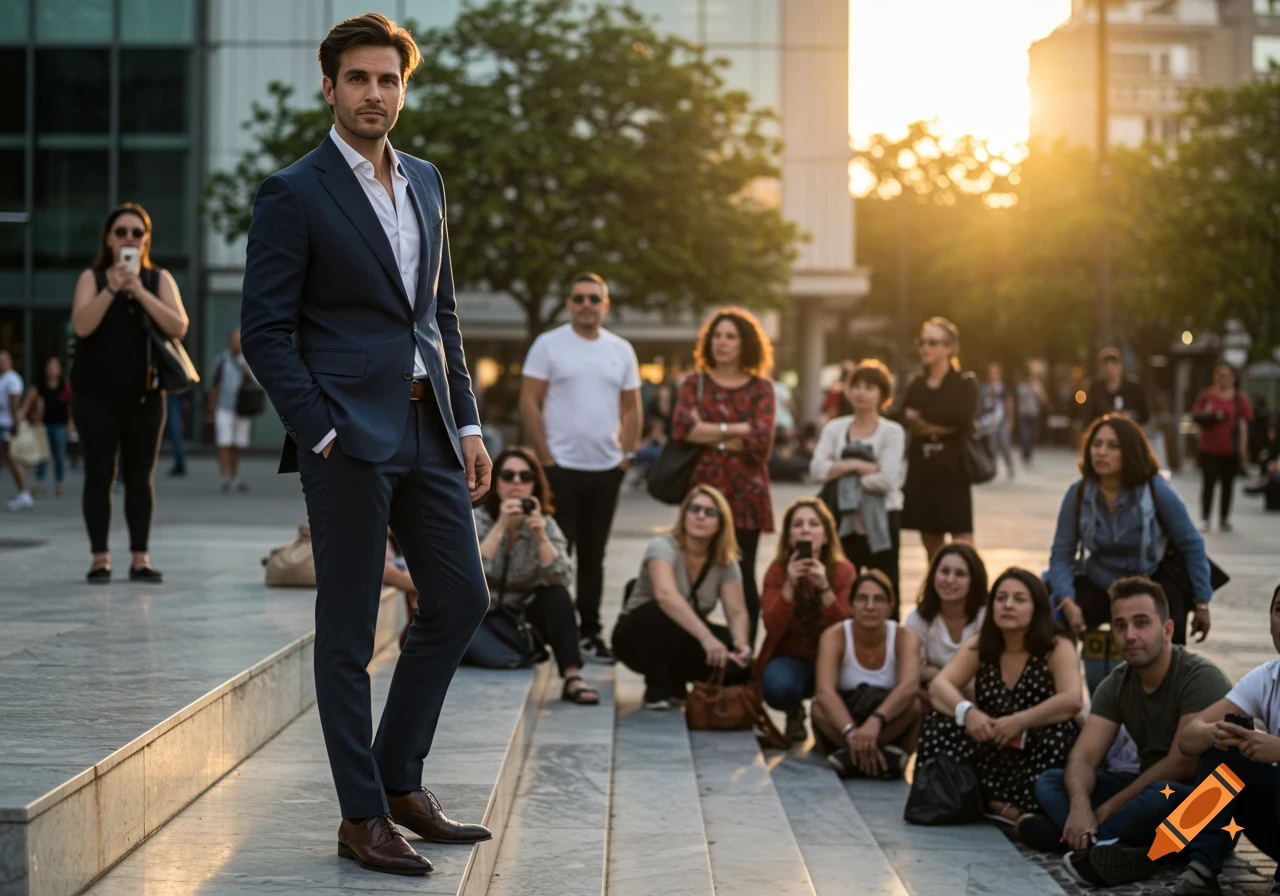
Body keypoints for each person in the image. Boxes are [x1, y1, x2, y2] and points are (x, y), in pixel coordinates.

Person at [240, 14, 492, 875]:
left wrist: (467, 422)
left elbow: (440, 314)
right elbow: (265, 331)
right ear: (330, 87)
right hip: (346, 440)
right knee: (348, 634)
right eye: (358, 79)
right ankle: (360, 818)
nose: (374, 94)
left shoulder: (426, 180)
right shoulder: (294, 191)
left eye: (388, 80)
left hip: (427, 427)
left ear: (402, 88)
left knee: (461, 598)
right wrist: (321, 429)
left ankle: (396, 778)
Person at [1022, 578, 1231, 889]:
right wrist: (1080, 807)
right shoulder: (1117, 683)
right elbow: (1085, 755)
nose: (1130, 635)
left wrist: (1106, 809)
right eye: (1120, 625)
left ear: (1168, 630)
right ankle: (1121, 848)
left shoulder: (1201, 678)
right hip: (1143, 793)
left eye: (1142, 623)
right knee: (1051, 781)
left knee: (1156, 796)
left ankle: (1082, 842)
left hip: (1204, 808)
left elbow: (1182, 763)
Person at [519, 272, 643, 665]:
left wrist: (626, 456)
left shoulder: (621, 349)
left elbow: (632, 407)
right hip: (560, 469)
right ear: (569, 303)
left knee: (594, 556)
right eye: (579, 298)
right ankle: (553, 631)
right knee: (557, 552)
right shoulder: (548, 345)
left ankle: (590, 633)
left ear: (605, 305)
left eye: (594, 298)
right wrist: (546, 459)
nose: (586, 305)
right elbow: (528, 402)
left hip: (605, 469)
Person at [69, 203, 187, 582]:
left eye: (137, 232)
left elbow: (178, 326)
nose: (129, 238)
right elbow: (82, 326)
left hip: (145, 397)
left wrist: (137, 288)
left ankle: (140, 558)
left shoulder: (158, 279)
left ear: (146, 239)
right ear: (109, 238)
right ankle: (99, 558)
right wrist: (113, 288)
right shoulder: (92, 277)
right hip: (94, 396)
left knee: (140, 477)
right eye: (121, 231)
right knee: (99, 475)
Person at [920, 568, 1082, 827]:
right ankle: (977, 799)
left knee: (1060, 737)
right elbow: (939, 686)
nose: (1008, 605)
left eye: (1019, 599)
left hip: (1037, 743)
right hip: (990, 738)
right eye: (1001, 598)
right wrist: (968, 713)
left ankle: (1018, 811)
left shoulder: (1057, 645)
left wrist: (1020, 721)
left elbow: (1072, 699)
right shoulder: (982, 644)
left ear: (1036, 607)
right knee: (941, 723)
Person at [1154, 583, 1280, 896]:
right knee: (1224, 737)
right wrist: (1215, 733)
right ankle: (1200, 872)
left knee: (1156, 801)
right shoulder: (1268, 678)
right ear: (1269, 622)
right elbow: (1189, 738)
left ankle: (1154, 845)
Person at [1048, 414, 1212, 649]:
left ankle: (1167, 681)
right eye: (1097, 444)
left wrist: (1202, 602)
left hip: (1151, 580)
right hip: (1100, 581)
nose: (1101, 452)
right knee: (1051, 620)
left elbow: (1191, 543)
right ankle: (1066, 681)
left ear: (1130, 452)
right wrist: (1066, 601)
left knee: (1169, 636)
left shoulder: (1156, 489)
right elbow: (1061, 554)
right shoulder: (1079, 493)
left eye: (1113, 446)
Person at [669, 307, 776, 643]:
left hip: (746, 496)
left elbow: (761, 441)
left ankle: (743, 661)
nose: (723, 342)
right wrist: (736, 429)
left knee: (742, 577)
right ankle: (688, 657)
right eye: (717, 335)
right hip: (703, 493)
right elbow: (683, 429)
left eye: (731, 336)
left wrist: (710, 432)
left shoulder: (762, 388)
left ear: (745, 343)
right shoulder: (693, 383)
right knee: (689, 575)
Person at [474, 447, 598, 705]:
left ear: (535, 484)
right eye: (508, 476)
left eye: (525, 476)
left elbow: (563, 576)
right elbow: (471, 572)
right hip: (481, 610)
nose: (516, 483)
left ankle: (572, 676)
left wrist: (541, 537)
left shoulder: (544, 523)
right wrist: (501, 527)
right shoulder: (478, 520)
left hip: (523, 613)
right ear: (495, 481)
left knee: (557, 597)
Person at [611, 485, 753, 711]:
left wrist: (740, 645)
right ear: (684, 514)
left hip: (684, 636)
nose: (700, 516)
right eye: (694, 509)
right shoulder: (663, 546)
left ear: (721, 522)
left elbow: (736, 611)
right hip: (638, 639)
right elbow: (666, 596)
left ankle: (678, 680)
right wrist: (707, 638)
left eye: (709, 512)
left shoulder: (725, 561)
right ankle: (657, 685)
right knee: (659, 613)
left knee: (739, 667)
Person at [757, 497, 856, 742]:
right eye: (798, 524)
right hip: (793, 658)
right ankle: (794, 711)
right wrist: (789, 585)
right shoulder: (778, 571)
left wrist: (824, 588)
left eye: (814, 524)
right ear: (789, 536)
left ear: (825, 535)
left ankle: (825, 716)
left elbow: (847, 630)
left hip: (835, 660)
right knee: (777, 685)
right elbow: (771, 625)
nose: (805, 529)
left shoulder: (843, 570)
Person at [810, 358, 905, 605]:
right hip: (842, 518)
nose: (861, 393)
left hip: (882, 519)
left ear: (882, 394)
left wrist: (839, 469)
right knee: (842, 587)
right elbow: (816, 470)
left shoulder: (892, 432)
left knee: (886, 587)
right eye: (856, 386)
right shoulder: (834, 428)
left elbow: (888, 480)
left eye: (869, 387)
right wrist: (860, 467)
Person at [812, 570, 921, 780]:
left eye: (878, 599)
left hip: (886, 720)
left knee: (914, 706)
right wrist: (852, 732)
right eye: (862, 598)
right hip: (846, 720)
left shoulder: (904, 637)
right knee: (818, 708)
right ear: (851, 605)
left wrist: (875, 721)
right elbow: (825, 691)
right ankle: (873, 756)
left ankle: (851, 759)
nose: (870, 606)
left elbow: (909, 685)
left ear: (891, 606)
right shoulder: (834, 636)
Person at [899, 317, 980, 562]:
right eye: (922, 342)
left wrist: (922, 422)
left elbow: (962, 418)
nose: (926, 348)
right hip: (923, 469)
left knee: (962, 540)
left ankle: (969, 590)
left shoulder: (964, 384)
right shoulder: (917, 383)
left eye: (933, 342)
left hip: (953, 469)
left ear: (950, 347)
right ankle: (938, 589)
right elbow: (901, 414)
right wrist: (939, 425)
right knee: (930, 538)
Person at [904, 544, 989, 706]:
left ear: (974, 580)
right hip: (934, 698)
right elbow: (911, 671)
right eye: (944, 572)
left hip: (979, 697)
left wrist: (935, 672)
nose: (950, 580)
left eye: (960, 574)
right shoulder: (917, 619)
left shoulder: (985, 617)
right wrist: (951, 679)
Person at [1191, 364, 1253, 534]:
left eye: (1227, 375)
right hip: (1209, 449)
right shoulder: (1206, 396)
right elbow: (1195, 415)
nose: (1223, 379)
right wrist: (1210, 415)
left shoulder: (1240, 399)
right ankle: (1205, 518)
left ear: (1233, 378)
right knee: (1208, 483)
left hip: (1230, 450)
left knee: (1228, 485)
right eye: (1220, 375)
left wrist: (1243, 450)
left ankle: (1224, 518)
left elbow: (1243, 425)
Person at [208, 328, 257, 493]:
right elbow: (214, 385)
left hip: (242, 409)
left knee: (237, 445)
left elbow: (260, 385)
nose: (237, 343)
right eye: (235, 340)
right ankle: (224, 477)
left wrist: (247, 371)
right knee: (224, 443)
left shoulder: (249, 360)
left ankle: (235, 477)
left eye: (240, 340)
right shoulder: (221, 359)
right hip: (224, 408)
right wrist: (211, 409)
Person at [23, 357, 72, 499]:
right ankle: (39, 482)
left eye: (55, 367)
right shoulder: (40, 387)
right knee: (42, 456)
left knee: (59, 456)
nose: (52, 370)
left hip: (60, 425)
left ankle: (60, 483)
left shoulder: (64, 387)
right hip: (43, 425)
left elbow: (70, 407)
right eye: (50, 367)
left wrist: (70, 424)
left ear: (60, 370)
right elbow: (30, 404)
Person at [1082, 347, 1150, 426]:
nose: (1109, 370)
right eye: (1106, 367)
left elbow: (1145, 414)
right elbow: (1087, 416)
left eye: (1113, 366)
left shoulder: (1133, 388)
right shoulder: (1095, 389)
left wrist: (1131, 417)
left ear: (1120, 367)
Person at [0, 350, 32, 511]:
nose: (1, 363)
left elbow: (14, 405)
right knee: (10, 460)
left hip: (6, 425)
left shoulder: (12, 379)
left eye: (4, 359)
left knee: (13, 460)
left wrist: (15, 425)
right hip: (3, 424)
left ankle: (24, 493)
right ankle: (24, 494)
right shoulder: (3, 378)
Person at [980, 361, 1016, 480]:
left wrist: (1010, 420)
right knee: (992, 446)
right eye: (991, 372)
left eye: (995, 372)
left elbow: (1009, 403)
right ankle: (993, 469)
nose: (993, 374)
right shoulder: (985, 388)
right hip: (989, 421)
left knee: (1005, 445)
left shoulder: (1003, 388)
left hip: (1002, 420)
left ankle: (1010, 466)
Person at [1016, 372, 1047, 466]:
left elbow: (1044, 400)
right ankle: (1025, 454)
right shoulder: (1022, 387)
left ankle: (1029, 454)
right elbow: (1018, 400)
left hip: (1034, 415)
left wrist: (1038, 391)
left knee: (1033, 436)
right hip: (1024, 415)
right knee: (1026, 434)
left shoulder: (1037, 387)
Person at [163, 389, 188, 477]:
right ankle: (179, 462)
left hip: (172, 392)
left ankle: (180, 462)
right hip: (168, 392)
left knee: (175, 429)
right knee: (174, 429)